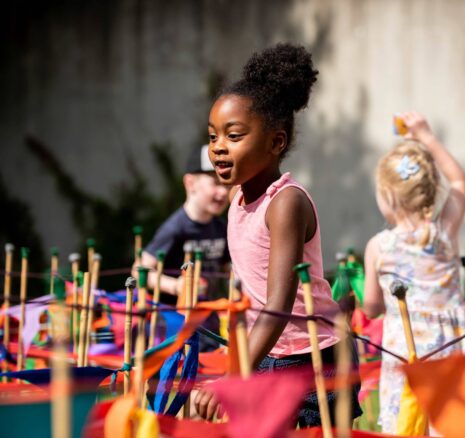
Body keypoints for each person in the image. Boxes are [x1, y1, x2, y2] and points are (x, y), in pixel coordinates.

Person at [193, 43, 362, 427]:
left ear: (275, 142)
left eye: (234, 136)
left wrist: (233, 375)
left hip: (317, 359)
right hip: (271, 351)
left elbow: (279, 304)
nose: (218, 147)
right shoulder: (237, 199)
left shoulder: (285, 203)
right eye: (213, 136)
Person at [363, 112, 465, 434]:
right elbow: (460, 182)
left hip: (405, 349)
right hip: (449, 347)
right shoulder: (443, 234)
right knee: (448, 425)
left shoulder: (378, 246)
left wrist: (374, 303)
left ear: (389, 196)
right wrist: (427, 136)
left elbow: (372, 306)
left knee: (407, 425)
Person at [138, 145, 230, 346]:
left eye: (226, 183)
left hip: (206, 320)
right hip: (171, 324)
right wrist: (177, 286)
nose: (223, 192)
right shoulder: (175, 229)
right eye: (215, 183)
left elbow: (228, 269)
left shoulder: (222, 228)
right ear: (190, 183)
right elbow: (140, 271)